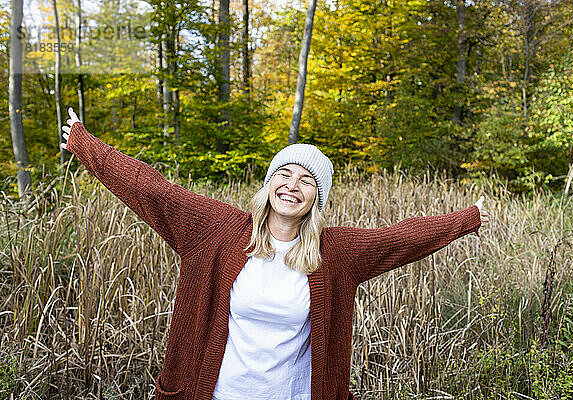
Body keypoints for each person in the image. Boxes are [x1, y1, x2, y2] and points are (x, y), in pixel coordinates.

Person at [61, 107, 490, 400]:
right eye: (283, 174)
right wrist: (84, 143)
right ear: (268, 185)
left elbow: (400, 239)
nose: (291, 185)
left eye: (307, 181)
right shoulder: (217, 230)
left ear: (316, 200)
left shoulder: (335, 253)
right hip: (219, 391)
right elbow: (150, 188)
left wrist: (468, 217)